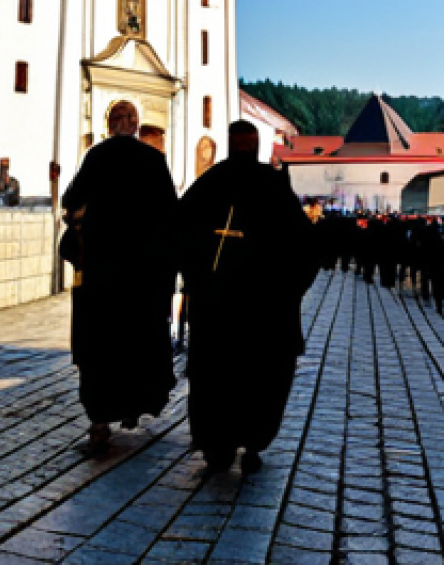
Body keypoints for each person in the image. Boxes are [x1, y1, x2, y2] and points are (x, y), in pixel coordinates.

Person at [178, 120, 319, 474]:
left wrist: (196, 281)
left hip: (217, 309)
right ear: (255, 146)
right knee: (260, 378)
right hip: (263, 311)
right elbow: (306, 247)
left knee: (216, 379)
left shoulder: (209, 183)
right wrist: (289, 293)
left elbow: (177, 233)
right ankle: (252, 444)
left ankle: (217, 449)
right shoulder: (272, 185)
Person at [60, 101, 178, 453]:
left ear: (110, 125)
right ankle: (132, 407)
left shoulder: (97, 157)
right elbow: (171, 215)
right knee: (136, 342)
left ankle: (99, 420)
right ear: (136, 126)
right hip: (143, 277)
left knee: (100, 346)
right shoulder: (153, 161)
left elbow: (71, 198)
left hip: (102, 274)